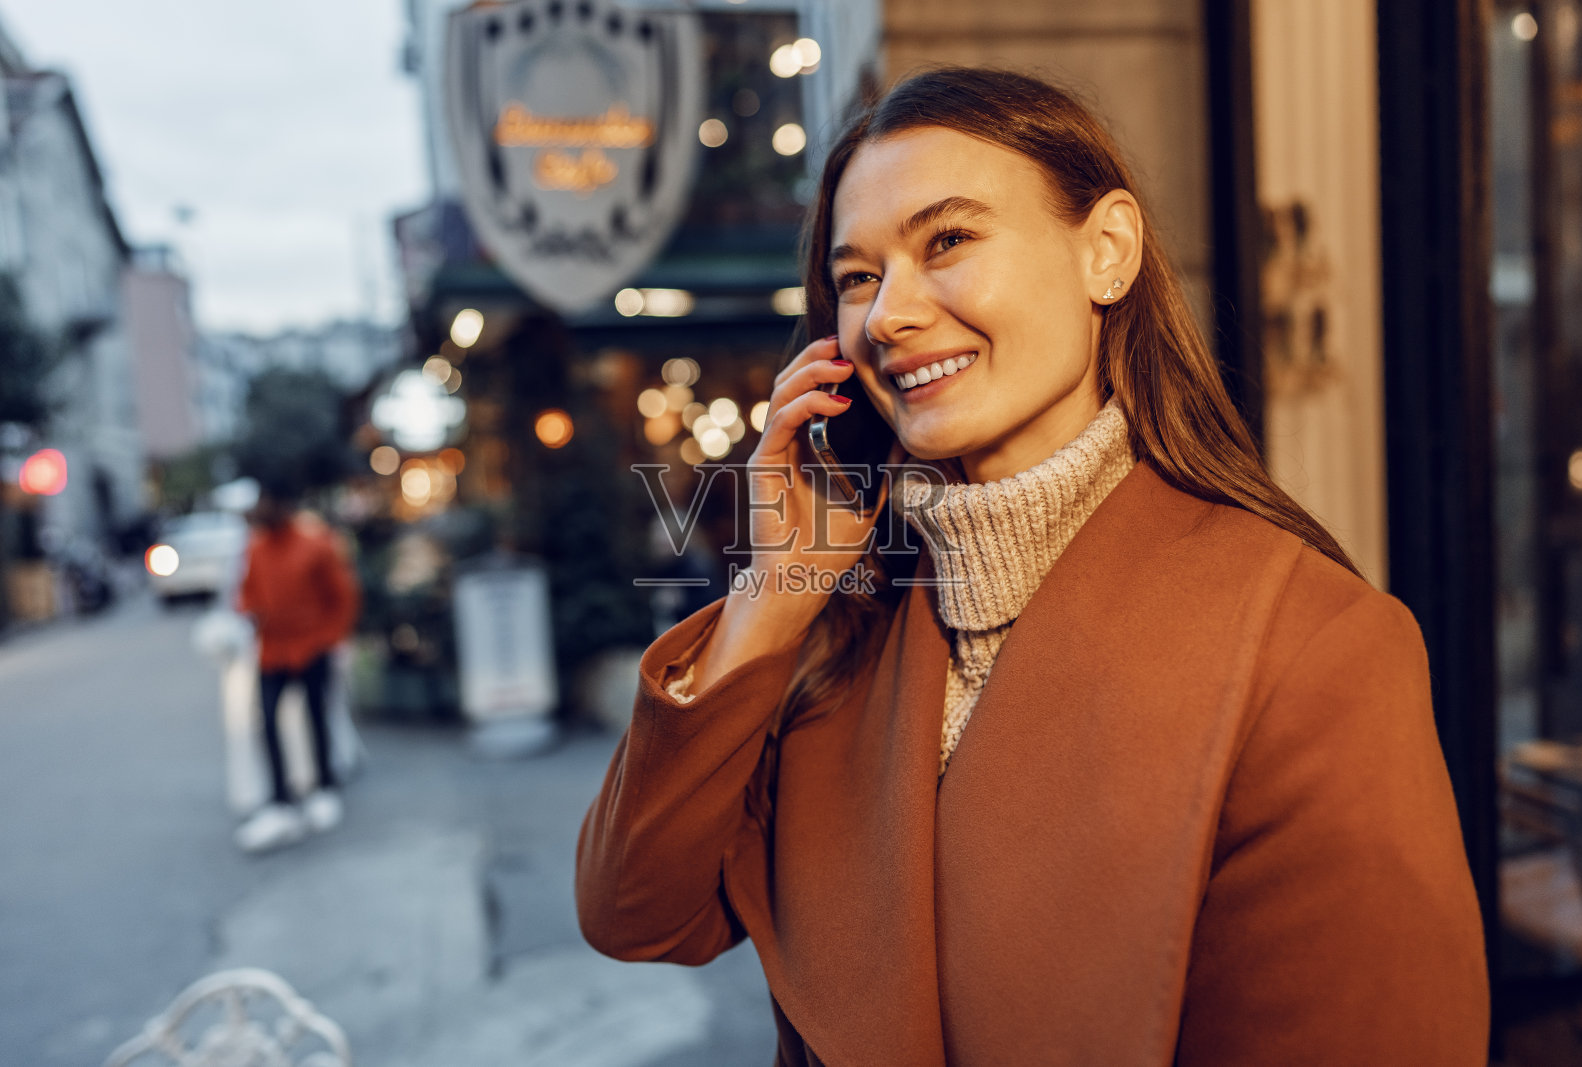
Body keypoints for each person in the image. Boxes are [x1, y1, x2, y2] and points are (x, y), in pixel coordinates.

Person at [576, 68, 1488, 1064]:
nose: (888, 315)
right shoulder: (842, 631)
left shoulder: (1307, 643)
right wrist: (774, 589)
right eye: (855, 277)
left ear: (1107, 251)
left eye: (948, 241)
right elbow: (636, 913)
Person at [233, 487, 361, 853]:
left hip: (311, 646)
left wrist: (332, 638)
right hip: (272, 650)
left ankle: (325, 786)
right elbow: (247, 593)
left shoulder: (315, 545)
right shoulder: (256, 549)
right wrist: (248, 613)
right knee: (267, 722)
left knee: (316, 717)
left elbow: (342, 595)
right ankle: (279, 799)